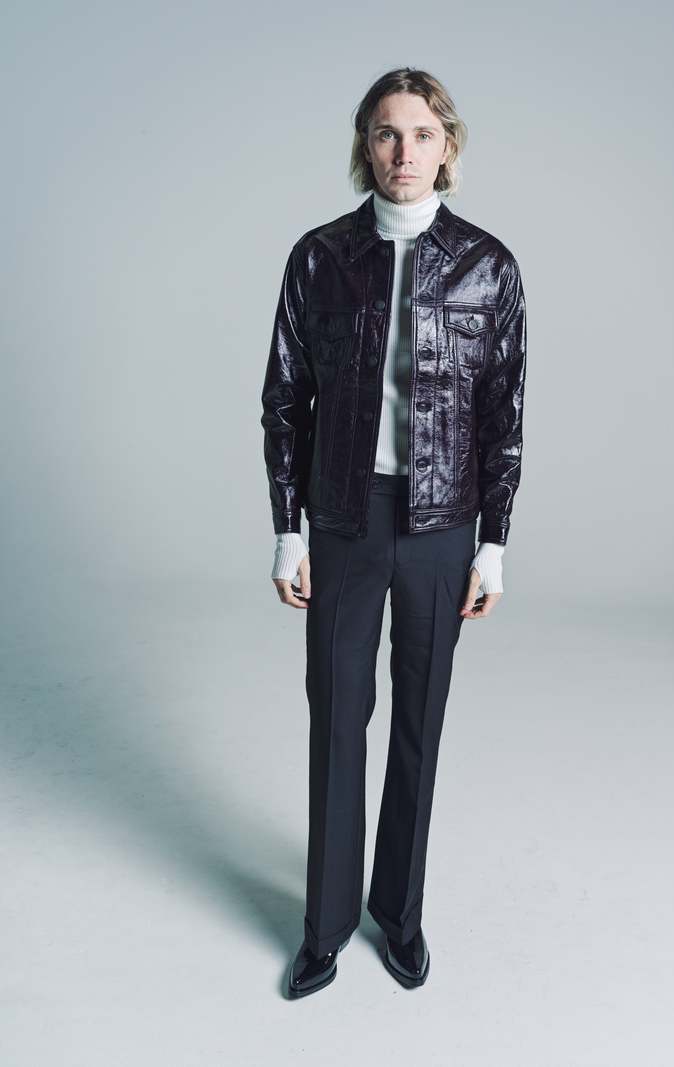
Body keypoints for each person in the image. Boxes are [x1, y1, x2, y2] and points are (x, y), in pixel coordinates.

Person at [260, 67, 527, 998]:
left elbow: (504, 413)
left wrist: (493, 542)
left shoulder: (490, 266)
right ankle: (325, 925)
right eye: (385, 132)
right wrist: (288, 528)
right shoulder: (319, 259)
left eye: (420, 133)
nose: (402, 151)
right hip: (343, 518)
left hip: (443, 524)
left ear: (447, 145)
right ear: (364, 146)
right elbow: (284, 400)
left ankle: (400, 915)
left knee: (420, 719)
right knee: (338, 718)